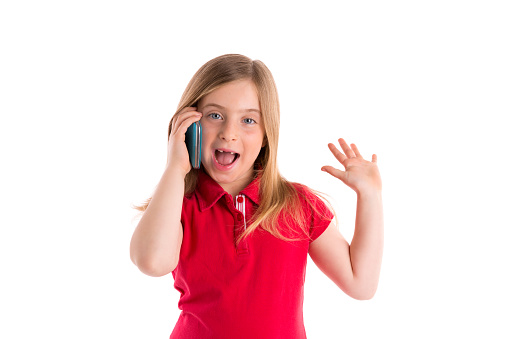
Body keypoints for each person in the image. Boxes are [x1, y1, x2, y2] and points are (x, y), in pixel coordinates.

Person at [130, 54, 384, 338]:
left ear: (267, 134)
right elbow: (151, 262)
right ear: (191, 127)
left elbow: (361, 284)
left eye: (248, 120)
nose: (229, 133)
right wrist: (175, 168)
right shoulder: (177, 204)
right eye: (215, 116)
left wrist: (370, 195)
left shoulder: (298, 204)